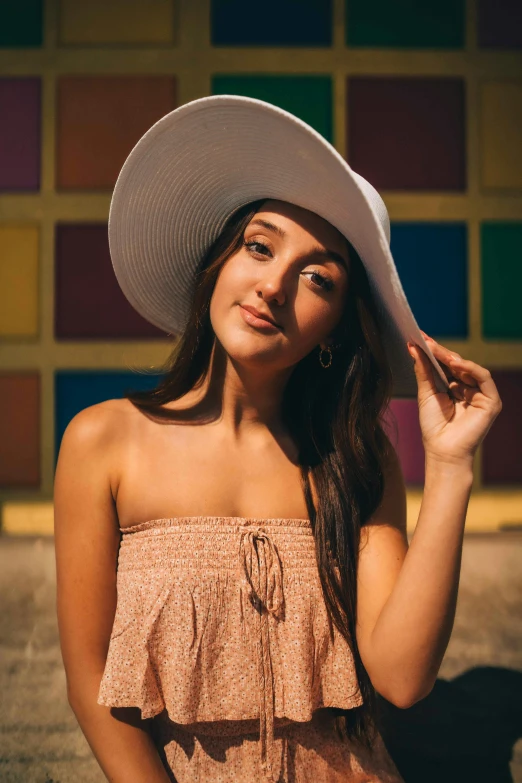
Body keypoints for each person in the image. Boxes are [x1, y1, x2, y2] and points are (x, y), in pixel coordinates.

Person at [53, 96, 502, 783]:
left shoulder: (353, 460)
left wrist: (449, 465)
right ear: (217, 261)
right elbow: (94, 686)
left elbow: (404, 678)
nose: (273, 285)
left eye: (317, 277)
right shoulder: (103, 441)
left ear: (339, 328)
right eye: (259, 246)